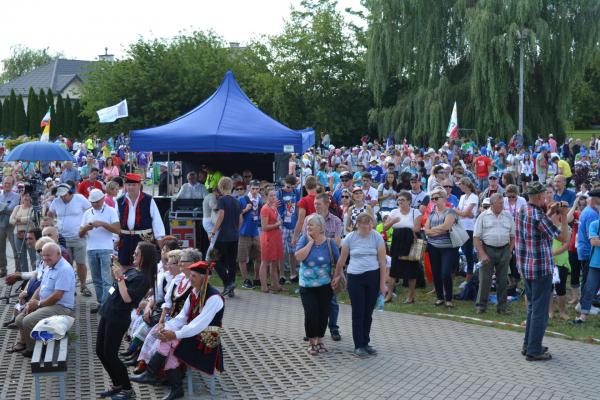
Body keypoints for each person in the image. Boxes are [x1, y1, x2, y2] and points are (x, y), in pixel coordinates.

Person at [131, 261, 225, 400]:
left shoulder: (214, 298)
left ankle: (154, 375)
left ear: (203, 278)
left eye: (193, 276)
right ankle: (170, 385)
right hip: (192, 333)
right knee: (166, 338)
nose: (189, 279)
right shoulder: (194, 292)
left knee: (171, 343)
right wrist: (166, 328)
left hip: (207, 338)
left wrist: (175, 334)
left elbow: (198, 325)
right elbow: (182, 317)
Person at [516, 181, 569, 361]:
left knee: (532, 308)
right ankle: (534, 350)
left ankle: (529, 344)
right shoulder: (539, 216)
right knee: (540, 311)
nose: (547, 198)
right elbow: (563, 238)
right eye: (544, 195)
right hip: (540, 269)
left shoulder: (523, 210)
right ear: (539, 197)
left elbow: (539, 225)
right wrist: (563, 216)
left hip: (526, 267)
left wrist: (551, 211)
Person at [96, 241, 155, 400]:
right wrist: (115, 269)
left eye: (137, 254)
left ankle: (128, 390)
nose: (133, 255)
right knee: (100, 352)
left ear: (145, 257)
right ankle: (117, 385)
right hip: (108, 313)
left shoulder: (143, 278)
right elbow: (115, 286)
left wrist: (120, 277)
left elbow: (127, 298)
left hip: (118, 317)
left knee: (111, 355)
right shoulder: (133, 271)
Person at [333, 212, 386, 358]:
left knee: (368, 312)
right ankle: (358, 345)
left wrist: (383, 284)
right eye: (364, 223)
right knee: (358, 312)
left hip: (373, 276)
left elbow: (382, 262)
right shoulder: (350, 238)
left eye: (369, 223)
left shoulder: (376, 237)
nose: (367, 226)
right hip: (355, 277)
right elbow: (341, 260)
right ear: (358, 224)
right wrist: (337, 276)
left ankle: (365, 342)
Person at [15, 242, 76, 357]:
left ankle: (35, 350)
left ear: (58, 254)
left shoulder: (64, 269)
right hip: (46, 304)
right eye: (43, 255)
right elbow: (40, 288)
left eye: (48, 255)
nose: (45, 258)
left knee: (28, 321)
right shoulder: (49, 265)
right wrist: (30, 303)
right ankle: (37, 342)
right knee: (19, 319)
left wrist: (38, 304)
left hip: (61, 307)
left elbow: (58, 295)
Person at [295, 214, 339, 355]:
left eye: (311, 225)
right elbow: (298, 256)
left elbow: (338, 262)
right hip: (307, 286)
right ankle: (311, 342)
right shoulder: (303, 239)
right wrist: (310, 243)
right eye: (307, 225)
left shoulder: (329, 243)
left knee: (323, 314)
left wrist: (337, 276)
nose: (308, 227)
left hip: (325, 286)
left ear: (320, 228)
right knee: (311, 313)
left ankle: (320, 340)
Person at [473, 193, 515, 314]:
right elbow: (476, 237)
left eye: (503, 203)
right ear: (492, 204)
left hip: (504, 249)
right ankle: (481, 306)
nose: (502, 205)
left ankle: (502, 308)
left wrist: (509, 251)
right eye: (500, 203)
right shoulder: (483, 216)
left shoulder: (508, 216)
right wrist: (482, 253)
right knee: (485, 280)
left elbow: (513, 236)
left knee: (502, 280)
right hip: (487, 249)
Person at [48, 183, 93, 296]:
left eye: (64, 195)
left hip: (78, 236)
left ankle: (83, 286)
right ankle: (69, 288)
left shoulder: (80, 198)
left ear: (70, 192)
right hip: (62, 238)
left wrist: (86, 227)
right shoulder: (56, 201)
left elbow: (91, 211)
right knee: (66, 264)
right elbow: (50, 214)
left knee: (81, 263)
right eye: (60, 195)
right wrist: (53, 224)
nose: (62, 197)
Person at [80, 189, 121, 313]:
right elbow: (80, 234)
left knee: (107, 280)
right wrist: (87, 228)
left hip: (106, 248)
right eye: (93, 202)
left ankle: (106, 304)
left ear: (103, 199)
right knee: (96, 279)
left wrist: (102, 224)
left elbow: (117, 230)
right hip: (91, 249)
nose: (95, 204)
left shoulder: (111, 211)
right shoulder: (87, 213)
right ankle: (101, 302)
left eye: (97, 202)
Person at [116, 173, 165, 267]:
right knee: (124, 266)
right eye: (129, 185)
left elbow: (156, 221)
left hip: (144, 239)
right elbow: (116, 222)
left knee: (144, 266)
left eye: (134, 185)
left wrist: (159, 239)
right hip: (125, 239)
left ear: (139, 185)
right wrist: (115, 239)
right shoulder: (119, 201)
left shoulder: (148, 200)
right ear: (125, 185)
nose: (131, 187)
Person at [424, 187, 458, 307]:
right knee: (436, 273)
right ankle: (440, 297)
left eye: (436, 198)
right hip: (433, 246)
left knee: (445, 273)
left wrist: (433, 230)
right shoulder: (432, 213)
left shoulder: (450, 212)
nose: (434, 200)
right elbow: (426, 230)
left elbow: (447, 226)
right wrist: (435, 230)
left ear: (443, 198)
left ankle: (449, 298)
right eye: (432, 199)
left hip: (448, 247)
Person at [385, 191, 422, 303]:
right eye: (399, 200)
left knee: (411, 271)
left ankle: (410, 297)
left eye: (403, 200)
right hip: (397, 243)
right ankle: (389, 295)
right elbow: (385, 227)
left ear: (409, 201)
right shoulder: (394, 212)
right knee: (393, 271)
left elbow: (417, 229)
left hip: (410, 243)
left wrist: (404, 228)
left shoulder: (416, 212)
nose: (400, 202)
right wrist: (393, 221)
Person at [210, 177, 242, 297]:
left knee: (213, 258)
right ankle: (231, 289)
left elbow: (221, 215)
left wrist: (213, 231)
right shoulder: (237, 201)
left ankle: (228, 283)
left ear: (221, 187)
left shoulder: (222, 200)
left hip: (223, 235)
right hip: (234, 236)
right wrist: (236, 230)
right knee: (231, 262)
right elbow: (240, 219)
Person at [238, 180, 262, 289]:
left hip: (255, 231)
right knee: (242, 258)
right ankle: (246, 280)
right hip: (244, 232)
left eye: (257, 189)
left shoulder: (260, 199)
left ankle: (257, 278)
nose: (255, 191)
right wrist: (245, 210)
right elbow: (236, 214)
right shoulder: (242, 199)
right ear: (249, 188)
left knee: (259, 256)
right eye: (253, 189)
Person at [259, 188, 284, 293]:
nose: (274, 197)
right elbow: (264, 227)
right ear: (265, 197)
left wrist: (278, 222)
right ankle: (264, 286)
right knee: (265, 262)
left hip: (275, 237)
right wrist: (277, 224)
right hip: (268, 238)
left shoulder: (273, 207)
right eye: (271, 196)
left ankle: (276, 285)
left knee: (274, 262)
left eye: (275, 195)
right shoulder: (265, 209)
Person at [277, 175, 300, 283]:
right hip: (283, 225)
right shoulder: (280, 193)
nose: (289, 189)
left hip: (293, 224)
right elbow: (276, 207)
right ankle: (281, 274)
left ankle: (293, 273)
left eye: (291, 187)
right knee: (281, 250)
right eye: (287, 186)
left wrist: (299, 221)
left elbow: (299, 207)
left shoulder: (296, 192)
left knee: (292, 250)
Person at [455, 178, 478, 280]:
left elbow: (465, 213)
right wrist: (466, 214)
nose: (459, 186)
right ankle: (462, 271)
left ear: (466, 185)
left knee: (468, 252)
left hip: (469, 228)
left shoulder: (474, 197)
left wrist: (455, 210)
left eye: (460, 184)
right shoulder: (462, 196)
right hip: (461, 226)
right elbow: (466, 213)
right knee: (461, 250)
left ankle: (469, 275)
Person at [9, 191, 36, 272]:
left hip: (30, 235)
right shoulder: (17, 207)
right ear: (21, 197)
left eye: (28, 196)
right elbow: (11, 220)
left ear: (31, 198)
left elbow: (31, 218)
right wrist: (24, 219)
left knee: (33, 256)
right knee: (21, 257)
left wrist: (18, 219)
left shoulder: (33, 208)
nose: (26, 198)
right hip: (17, 234)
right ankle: (25, 276)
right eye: (24, 196)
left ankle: (35, 275)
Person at [0, 176, 20, 277]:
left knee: (15, 248)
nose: (7, 185)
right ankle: (3, 270)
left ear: (12, 185)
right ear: (2, 183)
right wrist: (4, 207)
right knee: (1, 248)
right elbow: (7, 208)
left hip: (11, 225)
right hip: (0, 224)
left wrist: (2, 207)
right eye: (5, 183)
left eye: (9, 183)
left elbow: (12, 209)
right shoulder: (0, 194)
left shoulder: (16, 196)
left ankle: (18, 270)